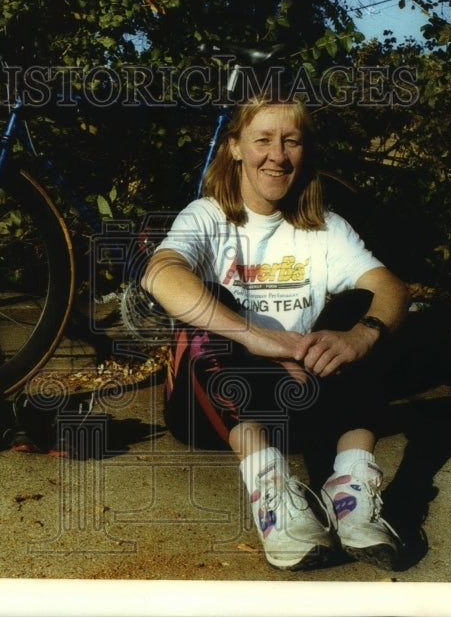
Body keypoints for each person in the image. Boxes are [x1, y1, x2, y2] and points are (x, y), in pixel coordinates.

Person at [141, 92, 410, 571]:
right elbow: (159, 273)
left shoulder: (325, 227)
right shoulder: (207, 216)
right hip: (207, 407)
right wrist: (256, 337)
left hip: (299, 397)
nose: (277, 155)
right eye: (262, 139)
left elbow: (389, 286)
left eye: (291, 141)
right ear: (235, 147)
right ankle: (272, 496)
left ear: (306, 151)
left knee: (364, 314)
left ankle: (349, 487)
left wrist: (362, 335)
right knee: (204, 311)